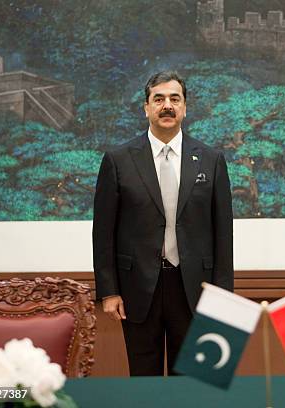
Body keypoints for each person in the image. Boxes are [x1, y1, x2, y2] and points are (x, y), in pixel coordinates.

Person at [92, 71, 233, 376]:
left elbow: (223, 234)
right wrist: (109, 291)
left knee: (194, 384)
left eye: (174, 99)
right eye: (159, 99)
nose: (167, 105)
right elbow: (103, 233)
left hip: (195, 289)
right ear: (146, 108)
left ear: (185, 107)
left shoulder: (211, 160)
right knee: (145, 382)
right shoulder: (118, 160)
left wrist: (224, 296)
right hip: (138, 290)